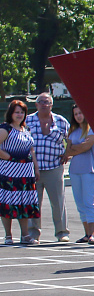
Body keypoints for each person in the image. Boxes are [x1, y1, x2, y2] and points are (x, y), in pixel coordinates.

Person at [25, 93, 70, 243]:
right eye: (41, 102)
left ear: (52, 105)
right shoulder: (28, 120)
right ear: (36, 104)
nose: (45, 104)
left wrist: (68, 153)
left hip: (54, 167)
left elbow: (71, 139)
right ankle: (33, 234)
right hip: (32, 169)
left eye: (48, 102)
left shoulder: (61, 121)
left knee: (58, 202)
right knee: (33, 203)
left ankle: (62, 232)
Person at [0, 100, 39, 244]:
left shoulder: (26, 130)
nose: (19, 115)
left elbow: (31, 150)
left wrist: (36, 168)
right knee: (8, 203)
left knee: (25, 203)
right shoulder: (5, 129)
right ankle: (8, 236)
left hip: (26, 173)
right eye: (17, 112)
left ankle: (25, 235)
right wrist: (8, 157)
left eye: (22, 112)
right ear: (11, 113)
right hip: (9, 173)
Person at [64, 104, 94, 244]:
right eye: (76, 114)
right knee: (80, 203)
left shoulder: (93, 129)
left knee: (89, 202)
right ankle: (86, 233)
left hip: (90, 170)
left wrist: (75, 148)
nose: (78, 116)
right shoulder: (72, 132)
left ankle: (92, 234)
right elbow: (68, 151)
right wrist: (76, 148)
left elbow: (87, 146)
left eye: (81, 113)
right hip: (75, 171)